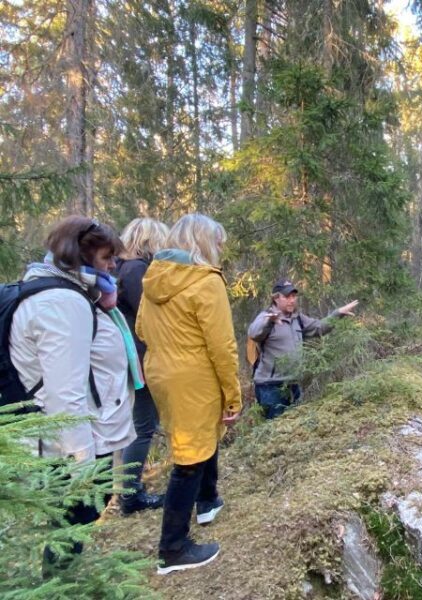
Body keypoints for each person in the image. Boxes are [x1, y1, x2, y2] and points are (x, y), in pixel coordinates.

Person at [9, 215, 138, 563]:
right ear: (78, 258)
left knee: (73, 525)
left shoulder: (67, 292)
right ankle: (60, 583)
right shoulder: (63, 303)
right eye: (105, 259)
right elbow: (64, 393)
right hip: (68, 446)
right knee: (73, 524)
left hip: (74, 436)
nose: (113, 265)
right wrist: (83, 466)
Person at [136, 213, 241, 575]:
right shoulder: (206, 281)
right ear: (203, 242)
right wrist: (233, 394)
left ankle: (208, 501)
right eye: (218, 242)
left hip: (161, 372)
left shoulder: (153, 278)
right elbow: (222, 346)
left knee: (199, 439)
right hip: (194, 376)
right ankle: (173, 548)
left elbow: (141, 329)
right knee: (189, 458)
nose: (221, 249)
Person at [116, 217, 169, 515]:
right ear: (150, 241)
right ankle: (131, 496)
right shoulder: (137, 270)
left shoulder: (124, 269)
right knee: (143, 427)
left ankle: (129, 492)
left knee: (139, 426)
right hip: (140, 359)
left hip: (132, 357)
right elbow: (149, 317)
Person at [247, 279, 358, 419]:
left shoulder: (297, 318)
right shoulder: (266, 316)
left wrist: (338, 313)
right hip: (270, 387)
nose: (292, 300)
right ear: (276, 298)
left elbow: (319, 327)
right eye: (287, 296)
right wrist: (270, 321)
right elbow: (254, 333)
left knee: (294, 430)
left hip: (293, 384)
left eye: (294, 296)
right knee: (274, 433)